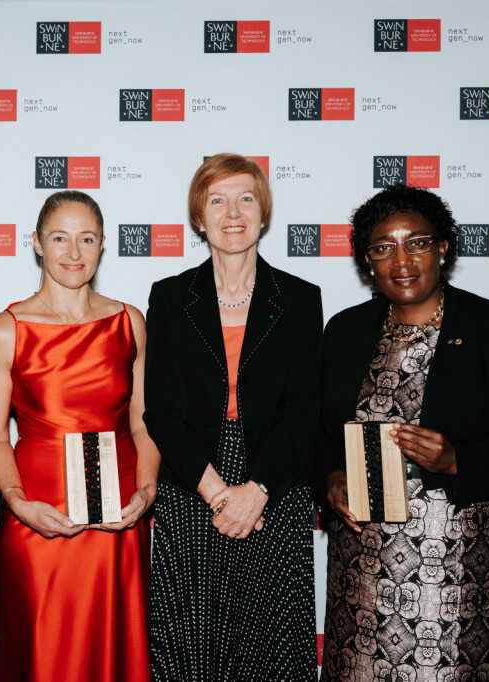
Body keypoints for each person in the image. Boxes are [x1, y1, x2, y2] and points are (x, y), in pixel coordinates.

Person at [318, 185, 489, 682]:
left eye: (417, 242)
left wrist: (457, 459)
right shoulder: (345, 331)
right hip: (362, 577)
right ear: (367, 260)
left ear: (443, 247)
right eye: (383, 246)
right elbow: (318, 434)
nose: (401, 260)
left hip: (458, 579)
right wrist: (330, 477)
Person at [144, 153, 322, 681]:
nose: (233, 212)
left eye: (246, 198)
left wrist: (257, 488)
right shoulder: (171, 297)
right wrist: (221, 494)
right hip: (193, 481)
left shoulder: (300, 299)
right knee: (190, 643)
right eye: (216, 201)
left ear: (263, 213)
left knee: (271, 642)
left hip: (276, 483)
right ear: (199, 217)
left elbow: (303, 410)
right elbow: (163, 412)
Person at [0, 190, 158, 681]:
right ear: (36, 243)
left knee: (113, 657)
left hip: (117, 522)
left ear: (103, 246)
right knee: (43, 654)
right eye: (59, 238)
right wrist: (17, 502)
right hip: (39, 518)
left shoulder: (130, 322)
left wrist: (147, 491)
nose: (73, 254)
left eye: (86, 239)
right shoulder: (4, 330)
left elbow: (143, 424)